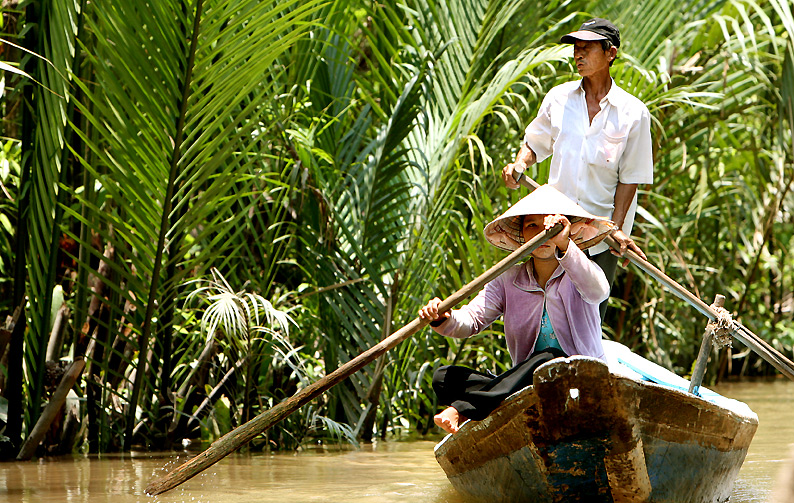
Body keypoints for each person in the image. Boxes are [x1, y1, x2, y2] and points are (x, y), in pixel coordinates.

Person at [419, 185, 614, 434]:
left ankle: (466, 409)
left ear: (564, 231)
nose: (543, 232)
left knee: (550, 360)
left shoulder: (581, 271)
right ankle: (489, 400)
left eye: (550, 225)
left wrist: (564, 245)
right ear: (522, 234)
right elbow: (471, 320)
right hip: (526, 386)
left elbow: (598, 291)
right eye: (532, 225)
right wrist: (442, 317)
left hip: (576, 383)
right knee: (443, 378)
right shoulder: (507, 279)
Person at [501, 18, 654, 320]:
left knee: (589, 315)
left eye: (587, 48)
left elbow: (630, 179)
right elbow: (535, 143)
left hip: (599, 235)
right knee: (547, 311)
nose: (578, 55)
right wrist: (520, 163)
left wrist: (616, 229)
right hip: (555, 227)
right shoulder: (559, 99)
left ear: (610, 53)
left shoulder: (633, 113)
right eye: (576, 48)